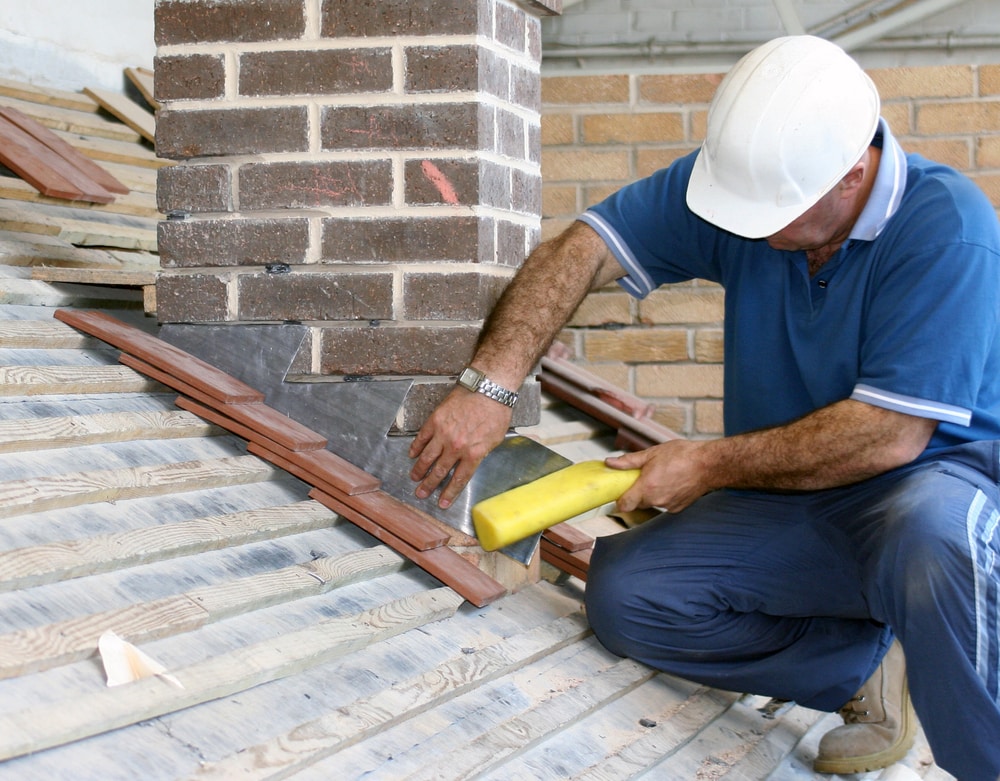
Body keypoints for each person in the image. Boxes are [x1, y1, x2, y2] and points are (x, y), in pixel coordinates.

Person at [408, 35, 1000, 780]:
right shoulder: (747, 192)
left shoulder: (949, 228)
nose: (751, 231)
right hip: (794, 493)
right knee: (629, 595)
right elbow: (582, 248)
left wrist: (706, 464)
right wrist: (490, 385)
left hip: (929, 488)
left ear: (853, 175)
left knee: (934, 541)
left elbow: (887, 436)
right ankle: (859, 664)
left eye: (774, 215)